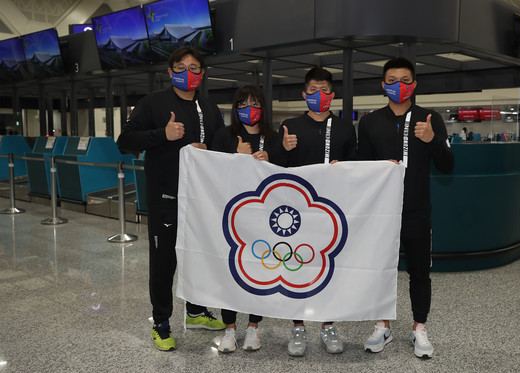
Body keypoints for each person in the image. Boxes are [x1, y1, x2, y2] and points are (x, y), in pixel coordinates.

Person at [117, 46, 226, 352]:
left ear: (202, 74)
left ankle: (195, 311)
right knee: (164, 262)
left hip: (201, 200)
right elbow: (124, 141)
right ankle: (161, 322)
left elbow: (221, 146)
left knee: (198, 258)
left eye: (193, 68)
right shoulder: (154, 102)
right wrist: (162, 135)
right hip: (166, 197)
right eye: (180, 67)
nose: (187, 73)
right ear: (170, 72)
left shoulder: (210, 107)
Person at [357, 58, 454, 358]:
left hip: (416, 211)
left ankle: (419, 329)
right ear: (383, 84)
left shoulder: (430, 118)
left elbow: (448, 166)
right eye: (392, 79)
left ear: (414, 83)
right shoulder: (370, 122)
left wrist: (433, 139)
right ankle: (381, 325)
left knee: (419, 272)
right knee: (379, 271)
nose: (398, 85)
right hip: (381, 213)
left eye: (405, 79)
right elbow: (361, 168)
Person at [272, 66, 357, 356]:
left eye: (324, 90)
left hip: (332, 212)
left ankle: (327, 325)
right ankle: (298, 328)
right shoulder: (290, 126)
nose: (318, 95)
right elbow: (275, 168)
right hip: (297, 212)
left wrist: (343, 170)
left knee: (330, 268)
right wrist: (283, 148)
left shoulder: (346, 127)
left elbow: (356, 168)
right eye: (312, 90)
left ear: (332, 95)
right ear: (303, 94)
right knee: (297, 267)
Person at [211, 85, 277, 353]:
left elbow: (286, 173)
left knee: (258, 271)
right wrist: (235, 159)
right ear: (236, 108)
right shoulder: (224, 136)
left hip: (262, 217)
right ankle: (229, 329)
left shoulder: (272, 137)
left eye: (255, 103)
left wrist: (271, 159)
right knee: (230, 272)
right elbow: (211, 171)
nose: (250, 109)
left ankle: (253, 327)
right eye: (243, 103)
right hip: (231, 215)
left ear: (263, 106)